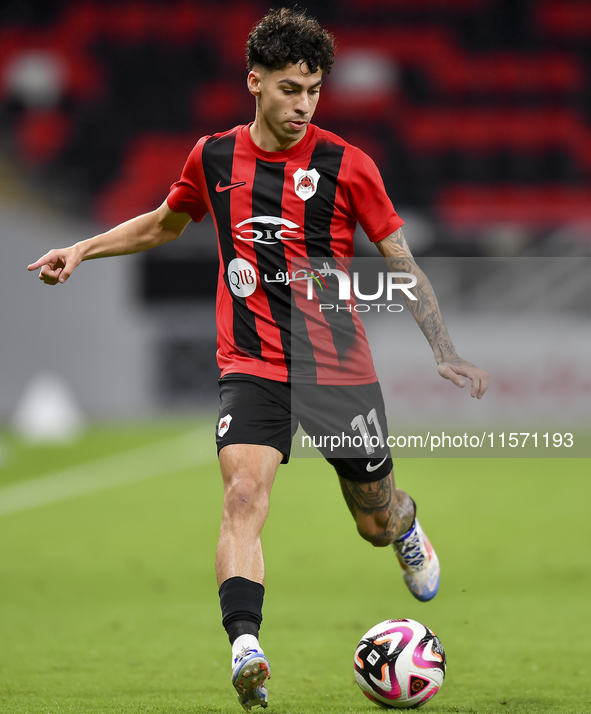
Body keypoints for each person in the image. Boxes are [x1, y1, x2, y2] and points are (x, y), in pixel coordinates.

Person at [28, 8, 489, 711]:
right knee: (243, 495)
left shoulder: (346, 165)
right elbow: (162, 222)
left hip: (338, 371)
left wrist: (443, 349)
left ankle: (404, 523)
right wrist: (82, 249)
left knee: (372, 521)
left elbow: (402, 262)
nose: (302, 104)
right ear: (254, 83)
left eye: (312, 89)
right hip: (251, 363)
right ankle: (246, 646)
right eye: (288, 88)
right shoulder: (212, 157)